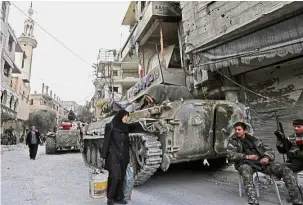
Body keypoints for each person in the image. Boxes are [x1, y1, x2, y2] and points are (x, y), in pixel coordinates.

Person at [227, 122, 303, 205]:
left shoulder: (254, 140)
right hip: (244, 163)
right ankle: (253, 201)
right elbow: (230, 155)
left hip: (261, 163)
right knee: (245, 170)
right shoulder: (232, 141)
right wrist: (247, 156)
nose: (237, 131)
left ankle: (297, 200)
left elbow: (269, 150)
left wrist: (267, 157)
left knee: (285, 169)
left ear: (245, 131)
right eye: (236, 130)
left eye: (239, 129)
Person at [100, 109, 131, 205]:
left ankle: (119, 197)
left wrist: (128, 157)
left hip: (123, 157)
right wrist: (103, 156)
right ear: (120, 116)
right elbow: (106, 141)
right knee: (115, 177)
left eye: (127, 116)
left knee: (121, 177)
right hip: (113, 156)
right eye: (125, 116)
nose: (127, 118)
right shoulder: (110, 126)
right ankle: (110, 198)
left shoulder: (125, 127)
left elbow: (127, 144)